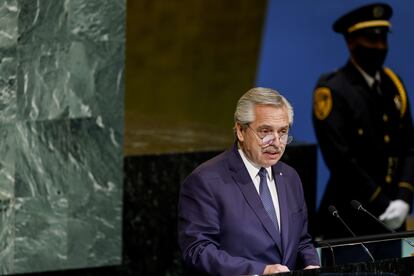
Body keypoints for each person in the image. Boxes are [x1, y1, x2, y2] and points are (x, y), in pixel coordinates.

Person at [178, 87, 320, 275]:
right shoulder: (205, 181)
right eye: (265, 132)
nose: (277, 143)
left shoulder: (290, 178)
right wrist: (261, 271)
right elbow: (198, 251)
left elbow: (301, 241)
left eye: (283, 132)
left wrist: (312, 266)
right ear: (240, 131)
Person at [312, 2, 414, 264]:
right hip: (351, 219)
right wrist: (382, 203)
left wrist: (403, 198)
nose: (379, 46)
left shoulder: (393, 85)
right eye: (371, 39)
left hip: (393, 217)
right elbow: (341, 159)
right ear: (351, 42)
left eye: (382, 38)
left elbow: (408, 146)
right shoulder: (333, 90)